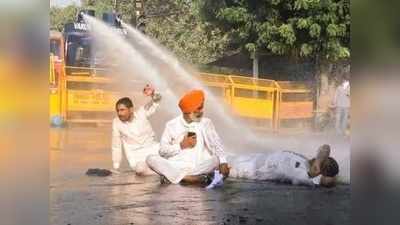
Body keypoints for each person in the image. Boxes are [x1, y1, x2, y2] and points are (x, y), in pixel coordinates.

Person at [146, 89, 229, 185]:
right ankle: (187, 178)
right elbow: (162, 151)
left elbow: (216, 144)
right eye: (199, 109)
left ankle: (178, 177)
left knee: (217, 159)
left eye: (202, 107)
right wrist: (181, 145)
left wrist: (223, 163)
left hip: (198, 166)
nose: (202, 111)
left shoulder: (206, 123)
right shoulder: (171, 125)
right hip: (176, 166)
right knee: (150, 159)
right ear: (188, 111)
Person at [229, 144, 339, 187]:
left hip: (248, 169)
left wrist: (318, 167)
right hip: (254, 158)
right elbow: (325, 147)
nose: (318, 159)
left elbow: (328, 182)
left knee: (219, 166)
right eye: (324, 160)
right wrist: (319, 162)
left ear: (320, 173)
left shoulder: (304, 176)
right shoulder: (306, 161)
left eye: (323, 164)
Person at [111, 85, 162, 175]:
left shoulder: (142, 113)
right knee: (140, 169)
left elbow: (156, 101)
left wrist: (153, 93)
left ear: (131, 109)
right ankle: (161, 172)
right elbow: (116, 146)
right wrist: (116, 166)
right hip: (137, 157)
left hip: (154, 149)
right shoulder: (116, 122)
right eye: (118, 110)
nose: (119, 113)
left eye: (122, 110)